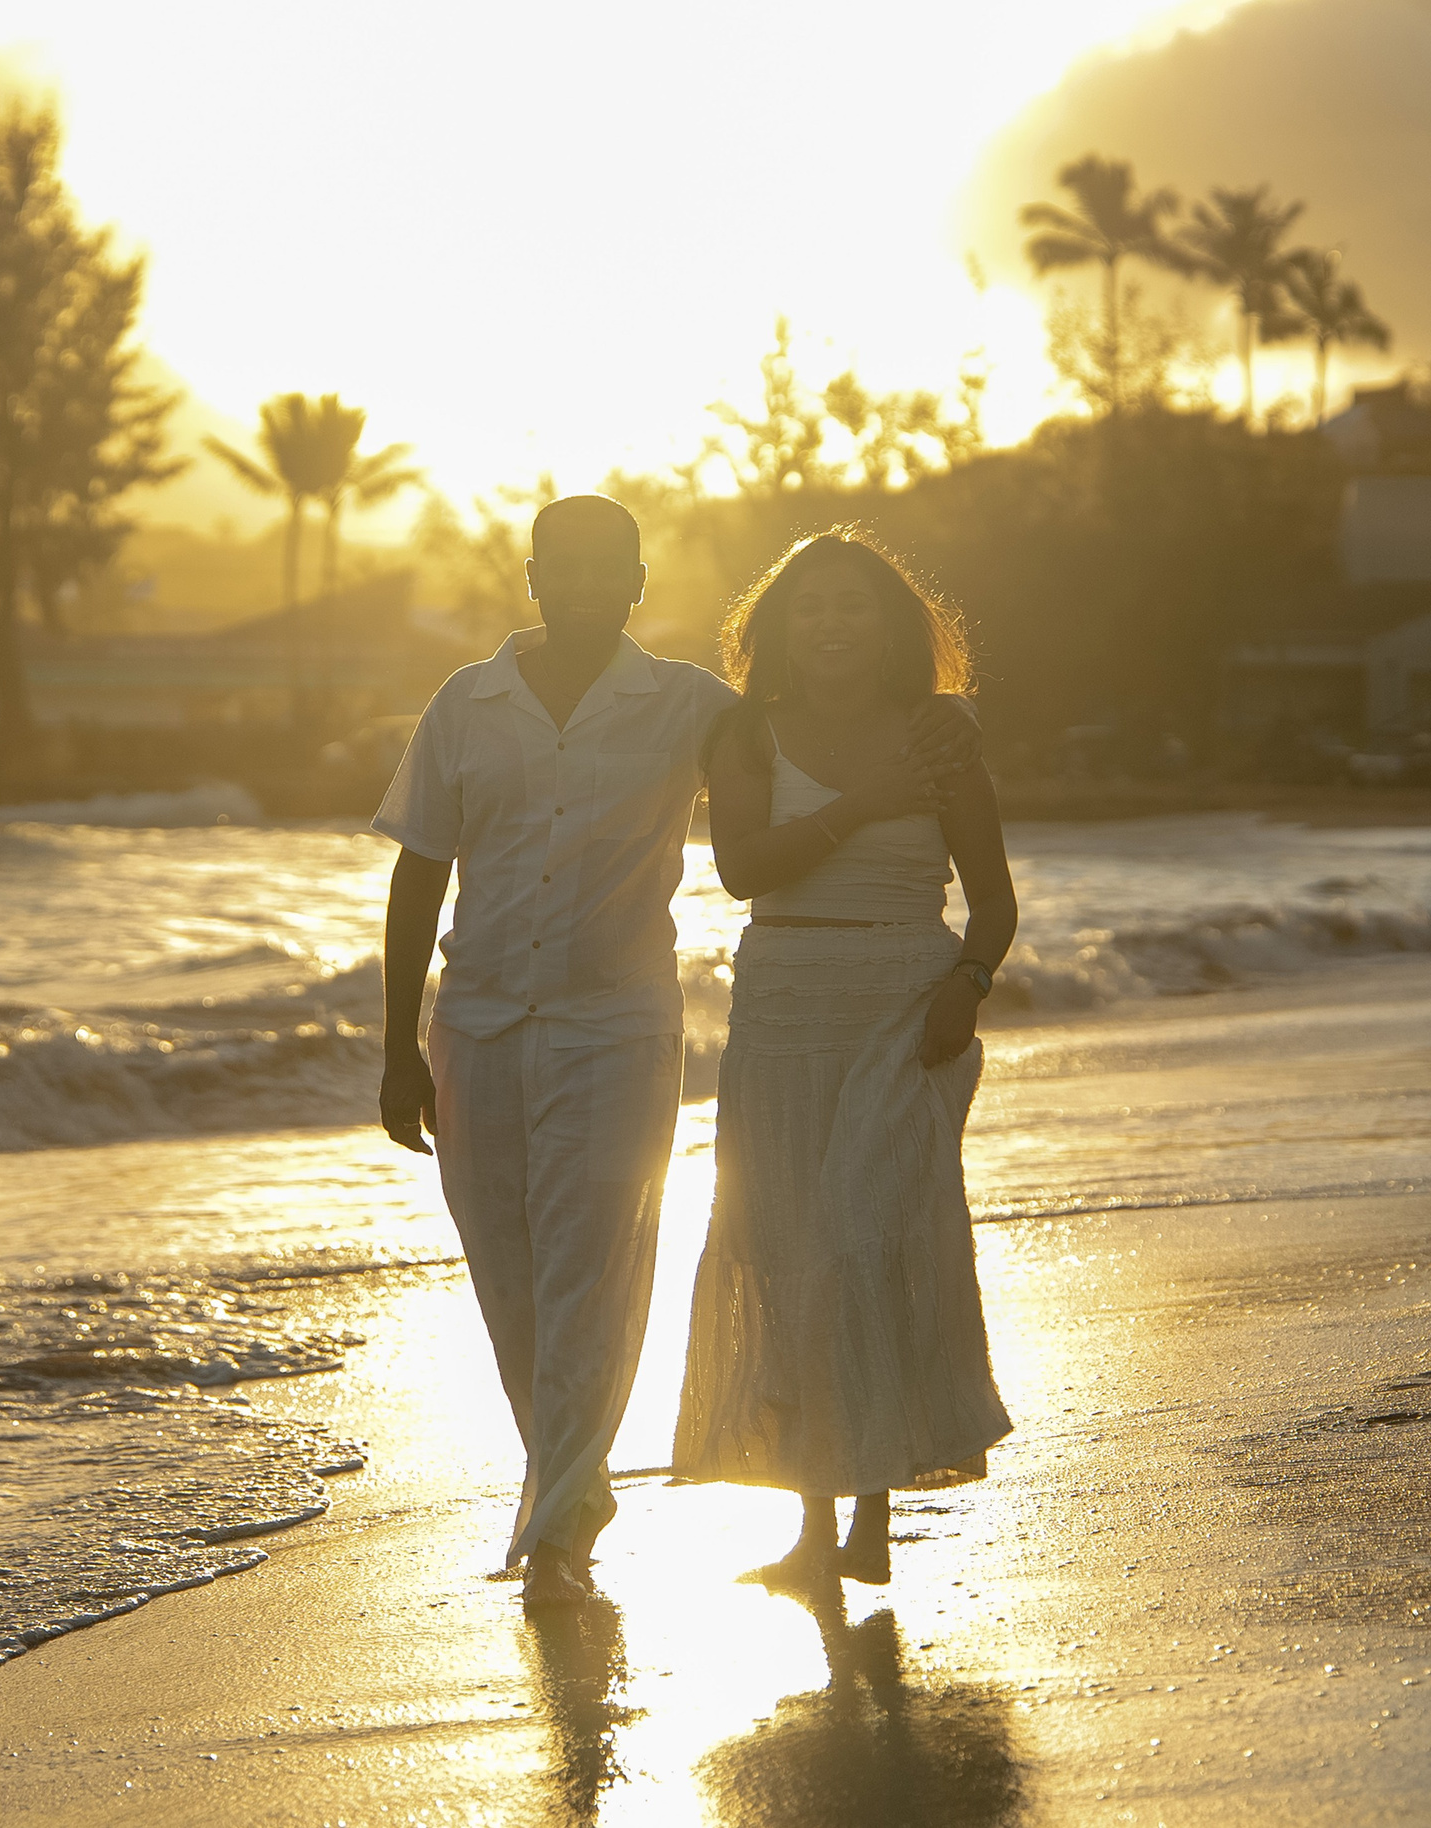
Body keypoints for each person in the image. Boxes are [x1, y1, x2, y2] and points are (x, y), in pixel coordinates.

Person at [374, 496, 979, 1607]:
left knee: (592, 1273)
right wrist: (396, 1046)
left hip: (616, 1025)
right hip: (474, 1023)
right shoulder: (466, 703)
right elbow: (418, 873)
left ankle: (559, 1532)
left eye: (608, 568)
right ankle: (570, 1483)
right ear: (533, 578)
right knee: (509, 1283)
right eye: (564, 568)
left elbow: (810, 716)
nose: (586, 587)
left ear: (638, 582)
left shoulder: (692, 706)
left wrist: (930, 720)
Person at [671, 527, 1016, 1584]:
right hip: (782, 1012)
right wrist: (866, 801)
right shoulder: (745, 733)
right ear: (776, 627)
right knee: (789, 1249)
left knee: (871, 1238)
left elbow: (995, 904)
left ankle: (869, 1517)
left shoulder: (941, 735)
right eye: (809, 605)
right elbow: (742, 870)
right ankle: (817, 1526)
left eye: (852, 604)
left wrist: (966, 985)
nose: (830, 623)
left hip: (906, 1011)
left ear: (891, 626)